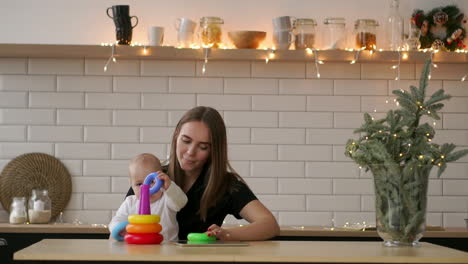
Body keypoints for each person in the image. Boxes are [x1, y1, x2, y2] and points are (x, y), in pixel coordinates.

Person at [127, 106, 280, 241]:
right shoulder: (151, 176)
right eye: (186, 141)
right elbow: (127, 220)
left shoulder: (226, 184)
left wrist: (226, 234)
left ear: (213, 150)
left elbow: (269, 225)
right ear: (176, 136)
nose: (190, 152)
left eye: (203, 147)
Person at [110, 153, 188, 242]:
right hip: (138, 248)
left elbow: (182, 202)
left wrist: (170, 186)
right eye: (139, 184)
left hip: (167, 248)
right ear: (131, 185)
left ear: (160, 181)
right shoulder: (130, 202)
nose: (146, 188)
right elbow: (117, 219)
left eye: (151, 182)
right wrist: (120, 229)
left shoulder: (167, 198)